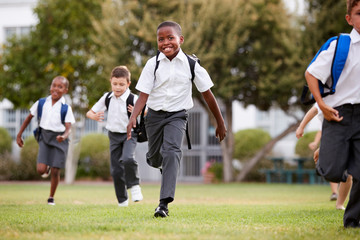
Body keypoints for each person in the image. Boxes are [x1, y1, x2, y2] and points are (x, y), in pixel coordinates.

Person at [126, 21, 227, 218]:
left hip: (177, 116)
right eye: (161, 39)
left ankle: (163, 205)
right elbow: (143, 94)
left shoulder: (192, 65)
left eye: (170, 38)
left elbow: (208, 95)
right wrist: (133, 117)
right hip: (154, 116)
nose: (166, 43)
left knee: (172, 152)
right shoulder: (152, 64)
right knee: (155, 158)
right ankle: (161, 163)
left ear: (180, 39)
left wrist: (220, 122)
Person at [304, 0, 360, 227]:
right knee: (332, 170)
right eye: (359, 13)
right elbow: (311, 73)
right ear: (349, 19)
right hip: (338, 114)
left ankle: (353, 221)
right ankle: (326, 152)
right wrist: (321, 104)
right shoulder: (341, 45)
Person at [86, 66, 143, 207]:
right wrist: (93, 116)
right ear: (111, 81)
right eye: (115, 84)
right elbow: (90, 112)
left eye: (122, 84)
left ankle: (135, 186)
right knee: (116, 170)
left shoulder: (133, 98)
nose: (118, 87)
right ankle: (122, 201)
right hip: (113, 136)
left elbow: (147, 111)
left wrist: (138, 112)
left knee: (128, 158)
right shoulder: (107, 97)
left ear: (128, 84)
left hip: (130, 134)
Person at [16, 76, 75, 205]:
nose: (56, 89)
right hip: (44, 137)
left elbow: (68, 128)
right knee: (41, 170)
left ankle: (51, 197)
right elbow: (28, 118)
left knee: (55, 170)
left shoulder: (66, 108)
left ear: (65, 90)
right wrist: (19, 135)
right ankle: (46, 166)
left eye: (60, 87)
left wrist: (64, 136)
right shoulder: (41, 103)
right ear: (50, 87)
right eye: (54, 85)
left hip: (60, 139)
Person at [296, 105, 352, 210]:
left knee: (349, 174)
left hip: (349, 134)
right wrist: (301, 127)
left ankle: (340, 203)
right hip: (335, 137)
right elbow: (314, 110)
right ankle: (336, 195)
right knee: (340, 172)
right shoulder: (326, 98)